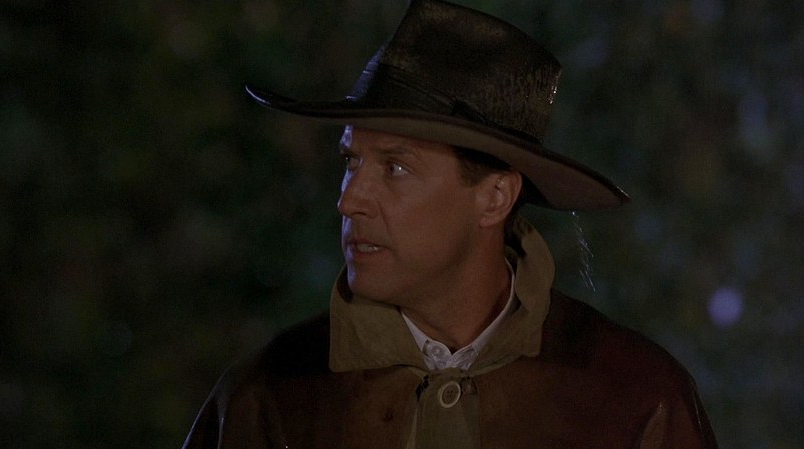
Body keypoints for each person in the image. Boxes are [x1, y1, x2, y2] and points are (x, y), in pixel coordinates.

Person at [181, 0, 718, 448]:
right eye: (351, 161)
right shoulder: (265, 400)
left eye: (395, 167)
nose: (349, 201)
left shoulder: (635, 400)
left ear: (494, 197)